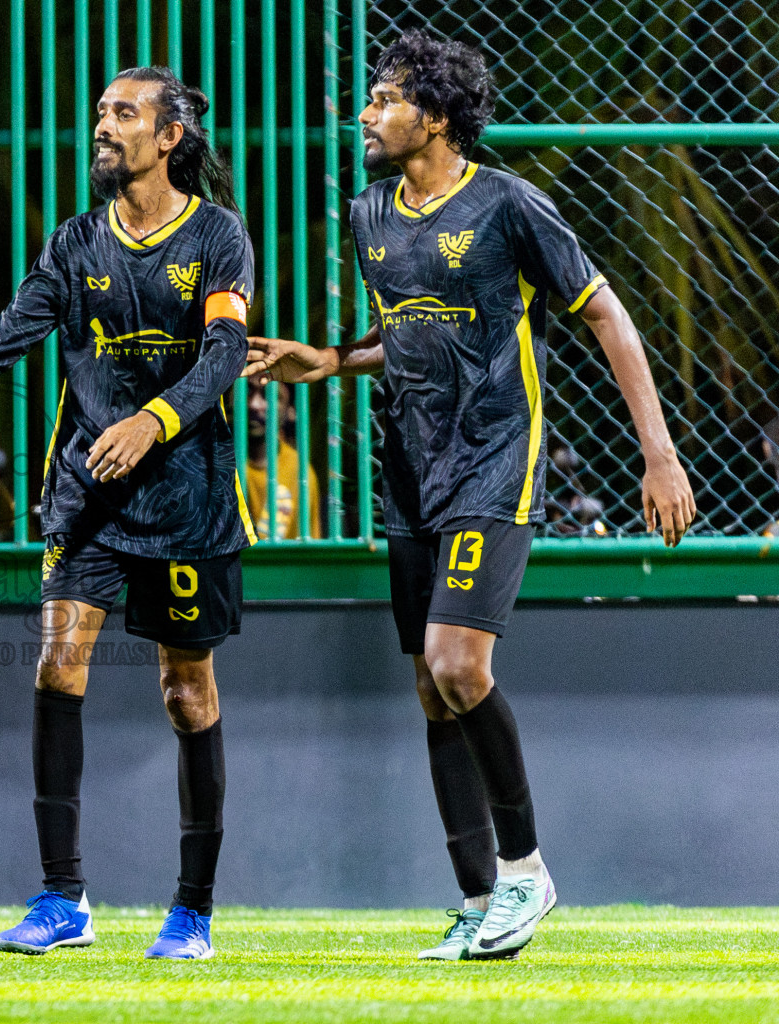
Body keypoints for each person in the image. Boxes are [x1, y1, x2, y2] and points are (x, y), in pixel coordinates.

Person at [247, 30, 695, 960]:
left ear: (437, 117)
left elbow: (606, 314)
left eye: (384, 99)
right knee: (430, 685)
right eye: (367, 99)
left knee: (458, 666)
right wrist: (327, 362)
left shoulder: (507, 204)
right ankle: (482, 897)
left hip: (495, 460)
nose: (365, 114)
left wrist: (660, 455)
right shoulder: (371, 214)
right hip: (408, 470)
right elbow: (405, 336)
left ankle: (527, 874)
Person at [0, 67, 254, 961]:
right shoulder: (73, 243)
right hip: (88, 500)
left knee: (186, 694)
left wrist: (150, 424)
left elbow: (227, 353)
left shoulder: (219, 237)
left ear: (169, 136)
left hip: (188, 502)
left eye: (123, 115)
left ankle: (192, 913)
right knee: (57, 667)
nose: (102, 128)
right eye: (100, 112)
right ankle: (63, 898)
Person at [245, 382, 322, 540]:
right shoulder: (214, 462)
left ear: (291, 410)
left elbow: (306, 553)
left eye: (270, 395)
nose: (254, 404)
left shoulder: (299, 472)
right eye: (246, 391)